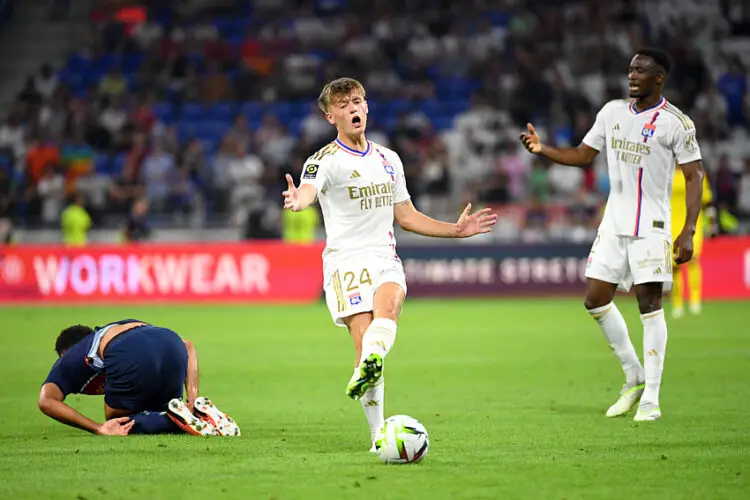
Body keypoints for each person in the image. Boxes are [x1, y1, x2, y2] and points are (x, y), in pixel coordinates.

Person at [282, 77, 497, 450]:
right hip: (344, 264)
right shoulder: (323, 162)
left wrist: (456, 231)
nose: (353, 108)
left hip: (383, 255)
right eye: (344, 103)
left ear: (366, 106)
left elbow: (407, 216)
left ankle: (372, 363)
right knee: (364, 346)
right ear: (330, 115)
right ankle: (376, 435)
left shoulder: (388, 159)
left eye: (358, 101)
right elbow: (308, 191)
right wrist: (298, 200)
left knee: (389, 308)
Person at [519, 48, 704, 422]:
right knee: (595, 298)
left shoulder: (676, 123)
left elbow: (694, 175)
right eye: (630, 69)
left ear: (659, 77)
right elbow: (584, 155)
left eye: (641, 70)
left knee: (649, 306)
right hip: (613, 223)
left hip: (651, 225)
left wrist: (688, 230)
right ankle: (633, 373)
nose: (632, 75)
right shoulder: (611, 112)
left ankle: (651, 397)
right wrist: (543, 150)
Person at [38, 319, 240, 436]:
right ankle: (197, 413)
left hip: (128, 351)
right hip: (170, 341)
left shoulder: (71, 356)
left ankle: (171, 422)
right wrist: (192, 398)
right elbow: (188, 346)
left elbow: (46, 400)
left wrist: (99, 428)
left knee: (117, 419)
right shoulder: (119, 326)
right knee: (166, 407)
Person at [670, 164, 714, 318]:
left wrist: (711, 222)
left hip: (692, 223)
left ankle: (695, 301)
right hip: (671, 223)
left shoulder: (697, 172)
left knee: (693, 261)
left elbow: (707, 200)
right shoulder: (665, 171)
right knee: (674, 265)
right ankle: (677, 304)